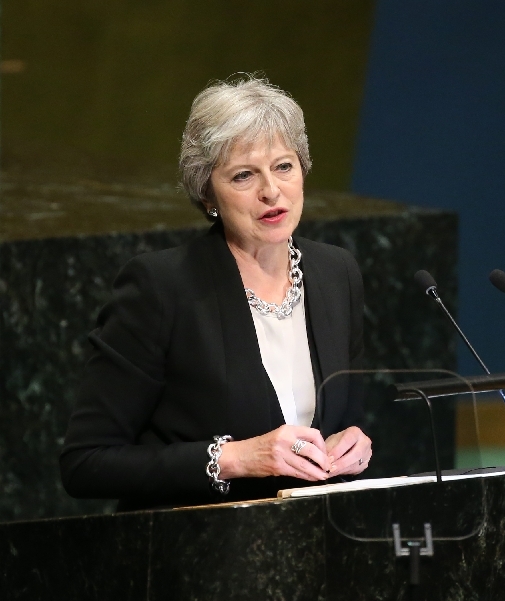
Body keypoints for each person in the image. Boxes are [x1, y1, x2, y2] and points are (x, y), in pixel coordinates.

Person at [60, 76, 372, 510]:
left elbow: (346, 415)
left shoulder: (336, 273)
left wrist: (354, 445)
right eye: (244, 175)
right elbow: (85, 463)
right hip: (196, 541)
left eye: (284, 166)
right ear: (208, 193)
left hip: (308, 537)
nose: (271, 191)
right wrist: (234, 459)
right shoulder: (161, 287)